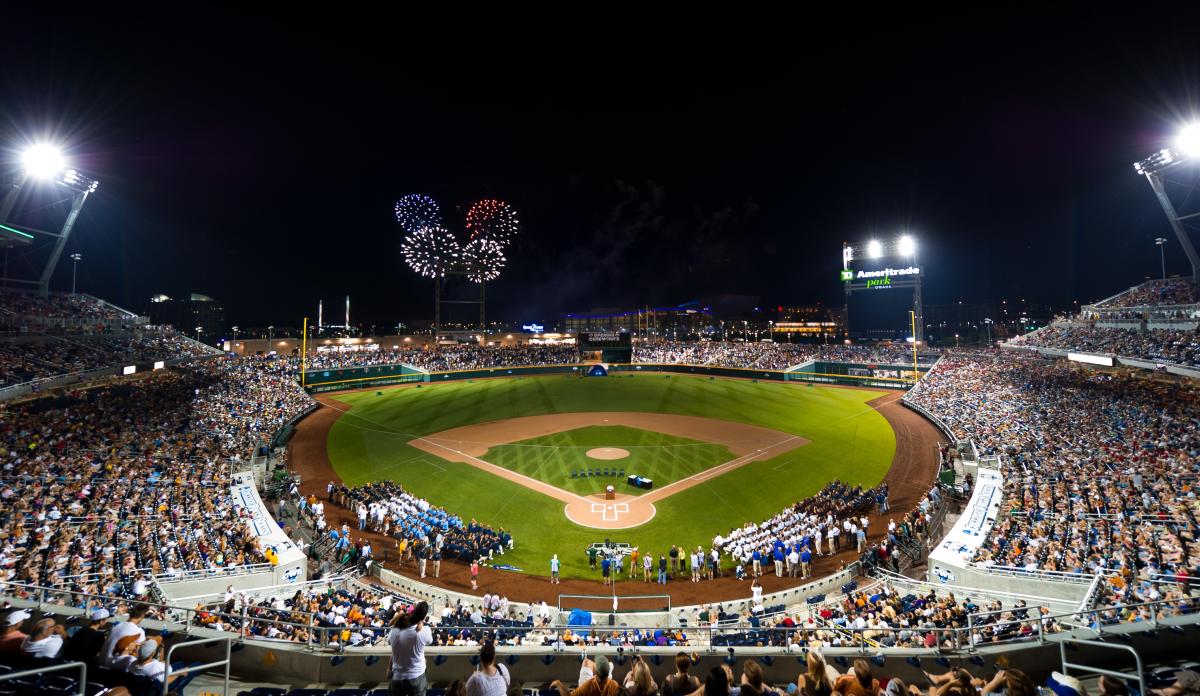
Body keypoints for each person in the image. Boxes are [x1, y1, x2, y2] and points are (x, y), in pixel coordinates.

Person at [388, 601, 432, 696]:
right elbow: (429, 641)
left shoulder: (393, 631)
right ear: (423, 617)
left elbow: (394, 651)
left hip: (397, 677)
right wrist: (421, 623)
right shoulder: (425, 630)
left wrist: (389, 668)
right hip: (417, 676)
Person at [551, 653, 619, 696]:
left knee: (586, 661)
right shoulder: (614, 685)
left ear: (596, 673)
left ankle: (595, 666)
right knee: (611, 664)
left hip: (589, 691)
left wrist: (558, 683)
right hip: (606, 682)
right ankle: (602, 668)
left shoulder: (588, 686)